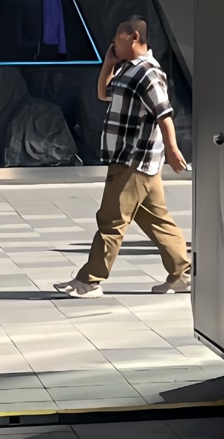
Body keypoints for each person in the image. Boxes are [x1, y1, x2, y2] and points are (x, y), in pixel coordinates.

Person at [54, 18, 191, 297]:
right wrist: (109, 63)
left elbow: (164, 114)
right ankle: (183, 275)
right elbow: (103, 93)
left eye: (118, 37)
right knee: (157, 219)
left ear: (134, 37)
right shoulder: (129, 69)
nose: (113, 42)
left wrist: (173, 149)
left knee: (111, 220)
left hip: (134, 159)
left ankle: (89, 281)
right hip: (133, 160)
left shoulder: (148, 73)